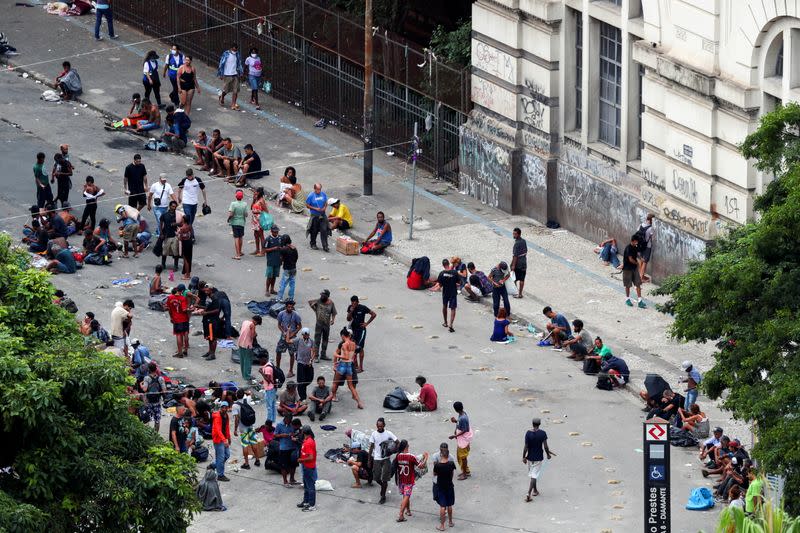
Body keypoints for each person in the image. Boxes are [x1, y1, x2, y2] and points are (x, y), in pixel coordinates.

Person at [395, 440, 429, 523]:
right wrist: (426, 457)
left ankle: (408, 511)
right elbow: (421, 466)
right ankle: (400, 514)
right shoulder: (411, 456)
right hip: (408, 480)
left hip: (401, 479)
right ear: (407, 446)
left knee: (405, 496)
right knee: (407, 496)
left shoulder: (398, 456)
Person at [523, 418, 555, 502]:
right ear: (539, 424)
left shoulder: (528, 433)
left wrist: (523, 457)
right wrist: (548, 454)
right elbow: (545, 447)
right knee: (534, 475)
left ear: (532, 424)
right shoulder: (542, 433)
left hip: (529, 458)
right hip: (538, 458)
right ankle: (528, 494)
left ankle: (535, 490)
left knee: (533, 475)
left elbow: (526, 446)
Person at [331, 328, 364, 409]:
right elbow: (351, 356)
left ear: (343, 335)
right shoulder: (353, 344)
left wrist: (336, 355)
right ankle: (359, 402)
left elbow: (345, 357)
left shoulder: (344, 344)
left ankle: (333, 396)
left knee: (335, 382)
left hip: (343, 365)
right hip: (349, 365)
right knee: (351, 386)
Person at [368, 417, 399, 504]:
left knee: (385, 478)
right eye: (378, 426)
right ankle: (383, 486)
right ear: (376, 426)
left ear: (384, 425)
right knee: (376, 477)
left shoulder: (388, 433)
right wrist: (369, 459)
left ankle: (383, 496)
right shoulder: (374, 434)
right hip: (377, 458)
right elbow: (371, 447)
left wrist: (393, 450)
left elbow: (398, 442)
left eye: (381, 426)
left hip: (386, 459)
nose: (379, 428)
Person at [347, 295, 376, 373]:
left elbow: (373, 314)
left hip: (361, 330)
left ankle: (361, 367)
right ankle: (355, 365)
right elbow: (348, 319)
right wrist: (351, 311)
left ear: (357, 302)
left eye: (354, 302)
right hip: (353, 330)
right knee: (353, 347)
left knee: (360, 348)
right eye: (352, 302)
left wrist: (366, 323)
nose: (353, 303)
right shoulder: (350, 307)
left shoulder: (363, 308)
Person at [232, 389, 259, 469]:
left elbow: (236, 419)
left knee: (245, 445)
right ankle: (257, 460)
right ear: (243, 394)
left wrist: (235, 429)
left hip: (243, 428)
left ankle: (246, 463)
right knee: (253, 442)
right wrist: (246, 392)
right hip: (251, 426)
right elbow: (251, 393)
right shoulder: (247, 399)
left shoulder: (235, 405)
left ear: (236, 395)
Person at [433, 443, 457, 530]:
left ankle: (442, 526)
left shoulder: (438, 466)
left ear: (441, 455)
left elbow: (435, 474)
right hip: (450, 486)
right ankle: (450, 522)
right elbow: (452, 473)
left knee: (443, 506)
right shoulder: (451, 464)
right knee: (449, 505)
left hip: (441, 487)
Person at [309, 290, 337, 361]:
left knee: (325, 339)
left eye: (323, 295)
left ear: (327, 296)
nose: (321, 296)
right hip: (319, 324)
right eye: (321, 295)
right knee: (317, 340)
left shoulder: (331, 303)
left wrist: (333, 320)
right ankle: (315, 356)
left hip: (326, 325)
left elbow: (334, 312)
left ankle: (323, 355)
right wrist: (314, 309)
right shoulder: (318, 301)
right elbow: (310, 302)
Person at [276, 300, 302, 376]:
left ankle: (291, 371)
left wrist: (293, 333)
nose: (290, 308)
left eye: (291, 307)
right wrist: (283, 332)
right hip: (283, 337)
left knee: (291, 354)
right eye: (288, 307)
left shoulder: (296, 315)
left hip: (292, 337)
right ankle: (277, 368)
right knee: (278, 351)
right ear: (286, 306)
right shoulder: (281, 314)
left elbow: (300, 326)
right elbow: (279, 325)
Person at [449, 401, 473, 480]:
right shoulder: (462, 414)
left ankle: (465, 474)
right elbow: (461, 424)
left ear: (455, 409)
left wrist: (455, 435)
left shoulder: (463, 417)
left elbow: (465, 429)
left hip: (463, 440)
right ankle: (465, 471)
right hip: (461, 439)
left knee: (463, 457)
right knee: (460, 456)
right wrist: (455, 421)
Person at [198, 284, 222, 361]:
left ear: (211, 290)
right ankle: (210, 351)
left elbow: (217, 310)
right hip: (207, 320)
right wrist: (198, 306)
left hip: (212, 321)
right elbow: (207, 307)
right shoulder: (209, 297)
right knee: (209, 337)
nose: (205, 291)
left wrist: (206, 313)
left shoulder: (215, 298)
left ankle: (213, 354)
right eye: (205, 290)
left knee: (213, 338)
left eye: (207, 290)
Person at [297, 426, 318, 511]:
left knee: (310, 487)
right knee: (306, 485)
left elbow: (311, 457)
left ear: (304, 433)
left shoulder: (308, 443)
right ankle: (306, 502)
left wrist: (301, 460)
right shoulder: (307, 440)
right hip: (306, 466)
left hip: (308, 467)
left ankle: (312, 505)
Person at [275, 413, 300, 486]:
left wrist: (293, 435)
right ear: (285, 418)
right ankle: (285, 481)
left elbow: (296, 431)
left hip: (292, 447)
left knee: (293, 464)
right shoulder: (279, 425)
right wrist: (282, 435)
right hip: (284, 448)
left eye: (290, 420)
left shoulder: (292, 425)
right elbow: (275, 435)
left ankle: (292, 479)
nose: (289, 422)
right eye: (288, 420)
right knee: (284, 466)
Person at [140, 362, 165, 432]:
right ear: (156, 369)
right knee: (157, 420)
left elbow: (144, 389)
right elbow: (164, 390)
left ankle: (147, 434)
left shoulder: (147, 378)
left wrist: (141, 385)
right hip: (157, 402)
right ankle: (155, 434)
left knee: (147, 418)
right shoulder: (161, 378)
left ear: (149, 369)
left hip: (148, 402)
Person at [623, 234, 646, 308]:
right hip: (627, 269)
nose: (637, 243)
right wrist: (637, 263)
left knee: (638, 284)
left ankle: (640, 301)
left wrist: (640, 258)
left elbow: (636, 254)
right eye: (636, 241)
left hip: (634, 269)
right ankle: (627, 299)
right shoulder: (628, 248)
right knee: (628, 285)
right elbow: (630, 259)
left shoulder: (635, 247)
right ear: (632, 241)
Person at [166, 286, 190, 358]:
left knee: (178, 335)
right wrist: (191, 310)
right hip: (184, 318)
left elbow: (169, 309)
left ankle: (180, 353)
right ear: (181, 291)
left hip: (176, 319)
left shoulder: (170, 298)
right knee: (186, 333)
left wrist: (171, 317)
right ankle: (185, 350)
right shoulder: (183, 298)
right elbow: (184, 309)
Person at [217, 43, 243, 110]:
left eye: (235, 49)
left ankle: (233, 104)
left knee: (235, 90)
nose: (234, 51)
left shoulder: (237, 55)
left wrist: (241, 72)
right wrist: (220, 74)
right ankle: (221, 96)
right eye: (233, 49)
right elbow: (221, 64)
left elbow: (239, 64)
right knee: (226, 90)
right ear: (230, 48)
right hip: (227, 74)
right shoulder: (226, 54)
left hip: (235, 74)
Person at [211, 402, 232, 482]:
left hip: (223, 439)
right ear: (221, 408)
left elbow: (226, 428)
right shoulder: (217, 417)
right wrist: (224, 440)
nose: (224, 409)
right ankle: (220, 475)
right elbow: (218, 430)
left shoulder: (226, 416)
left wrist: (229, 438)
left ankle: (214, 465)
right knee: (221, 457)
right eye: (223, 407)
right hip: (218, 439)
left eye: (226, 407)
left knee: (227, 455)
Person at [437, 258, 459, 333]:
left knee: (444, 306)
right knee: (453, 308)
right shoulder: (455, 272)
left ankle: (445, 322)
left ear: (443, 265)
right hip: (453, 292)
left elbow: (440, 284)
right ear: (448, 264)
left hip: (445, 292)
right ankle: (451, 324)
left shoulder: (441, 273)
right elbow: (458, 283)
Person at [306, 183, 329, 251]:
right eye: (318, 189)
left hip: (322, 214)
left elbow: (326, 202)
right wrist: (315, 208)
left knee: (324, 230)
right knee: (314, 230)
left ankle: (325, 246)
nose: (319, 191)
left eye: (320, 189)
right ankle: (313, 243)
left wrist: (325, 207)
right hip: (315, 215)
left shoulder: (323, 194)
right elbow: (307, 205)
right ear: (315, 189)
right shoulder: (311, 196)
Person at [237, 315, 261, 380]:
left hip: (240, 342)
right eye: (257, 324)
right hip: (247, 344)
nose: (256, 325)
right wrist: (255, 334)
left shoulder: (245, 321)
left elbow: (241, 329)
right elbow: (252, 336)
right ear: (256, 321)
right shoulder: (252, 325)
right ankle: (247, 376)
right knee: (248, 361)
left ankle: (243, 374)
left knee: (242, 359)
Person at [159, 200, 181, 271]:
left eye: (175, 206)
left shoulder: (177, 215)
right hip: (166, 235)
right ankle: (163, 264)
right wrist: (161, 233)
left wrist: (176, 224)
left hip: (174, 236)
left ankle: (176, 266)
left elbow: (182, 223)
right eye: (173, 206)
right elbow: (161, 224)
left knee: (175, 252)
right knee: (164, 252)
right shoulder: (164, 215)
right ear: (170, 206)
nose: (174, 208)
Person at [294, 327, 315, 401]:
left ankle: (302, 389)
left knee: (309, 378)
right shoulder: (298, 340)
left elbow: (313, 351)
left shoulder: (311, 341)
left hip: (308, 363)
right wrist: (288, 331)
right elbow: (288, 341)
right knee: (301, 380)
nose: (306, 336)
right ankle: (302, 397)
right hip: (300, 362)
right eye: (305, 335)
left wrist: (311, 359)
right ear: (302, 334)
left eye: (307, 335)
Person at [227, 189, 248, 260]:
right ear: (242, 197)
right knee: (241, 237)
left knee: (236, 238)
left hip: (235, 223)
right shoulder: (245, 204)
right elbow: (246, 214)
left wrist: (229, 218)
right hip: (242, 222)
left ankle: (238, 255)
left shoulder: (233, 204)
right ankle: (240, 251)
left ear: (236, 196)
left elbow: (231, 214)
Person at [277, 235, 298, 302]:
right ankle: (291, 298)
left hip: (287, 269)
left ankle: (279, 298)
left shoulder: (283, 249)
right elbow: (296, 258)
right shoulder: (294, 248)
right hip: (294, 268)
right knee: (292, 284)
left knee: (283, 283)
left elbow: (281, 259)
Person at [264, 224, 282, 296]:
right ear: (271, 231)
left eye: (277, 232)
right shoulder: (268, 239)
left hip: (278, 261)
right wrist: (273, 248)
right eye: (275, 232)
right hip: (271, 261)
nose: (276, 233)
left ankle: (272, 289)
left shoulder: (280, 238)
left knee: (274, 276)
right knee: (269, 276)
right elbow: (265, 250)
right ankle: (267, 290)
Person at [250, 187, 269, 256]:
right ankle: (257, 249)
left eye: (255, 192)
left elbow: (266, 211)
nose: (254, 193)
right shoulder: (256, 200)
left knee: (261, 235)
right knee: (255, 234)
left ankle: (263, 251)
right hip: (255, 219)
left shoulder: (261, 201)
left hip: (259, 219)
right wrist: (253, 200)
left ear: (259, 193)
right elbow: (251, 208)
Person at [510, 227, 528, 298]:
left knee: (514, 278)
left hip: (518, 263)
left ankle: (515, 292)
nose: (514, 235)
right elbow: (526, 251)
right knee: (522, 278)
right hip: (524, 262)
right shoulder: (524, 241)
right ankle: (520, 294)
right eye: (513, 233)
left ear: (519, 234)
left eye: (515, 234)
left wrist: (513, 266)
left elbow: (515, 256)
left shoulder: (516, 244)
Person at [637, 213, 655, 282]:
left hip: (640, 245)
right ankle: (641, 278)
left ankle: (640, 275)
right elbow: (653, 237)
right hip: (647, 246)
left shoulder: (641, 225)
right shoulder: (651, 228)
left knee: (641, 259)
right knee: (645, 262)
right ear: (651, 220)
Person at [177, 214, 193, 279]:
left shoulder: (182, 228)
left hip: (185, 243)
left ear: (183, 220)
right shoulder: (189, 226)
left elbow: (180, 238)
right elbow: (191, 234)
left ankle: (187, 275)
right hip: (189, 242)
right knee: (189, 259)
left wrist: (178, 233)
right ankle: (188, 273)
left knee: (185, 260)